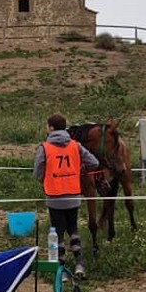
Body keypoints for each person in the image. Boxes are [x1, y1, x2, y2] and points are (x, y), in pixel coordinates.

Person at [33, 113, 100, 279]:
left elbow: (37, 172)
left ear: (51, 128)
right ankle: (79, 265)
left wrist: (47, 178)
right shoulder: (75, 146)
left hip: (54, 195)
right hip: (73, 194)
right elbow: (94, 163)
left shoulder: (44, 147)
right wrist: (77, 168)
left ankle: (61, 269)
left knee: (58, 232)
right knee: (74, 229)